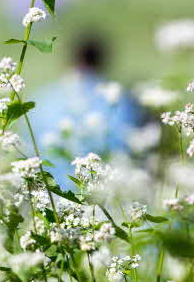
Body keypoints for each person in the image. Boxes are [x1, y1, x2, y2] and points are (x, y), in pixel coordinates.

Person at [25, 34, 145, 186]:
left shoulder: (41, 100)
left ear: (69, 60)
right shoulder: (123, 100)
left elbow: (28, 148)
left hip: (52, 189)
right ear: (103, 61)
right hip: (108, 188)